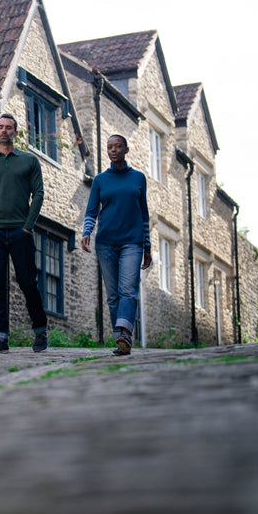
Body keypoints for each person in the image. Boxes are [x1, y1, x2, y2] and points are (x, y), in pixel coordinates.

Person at [0, 113, 48, 353]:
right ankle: (1, 337)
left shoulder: (29, 161)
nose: (4, 131)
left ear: (15, 132)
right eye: (0, 127)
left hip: (19, 231)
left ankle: (40, 331)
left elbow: (39, 194)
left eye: (9, 127)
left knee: (27, 282)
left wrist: (28, 226)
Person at [81, 134, 152, 356]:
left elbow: (144, 214)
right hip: (106, 243)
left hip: (132, 242)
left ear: (126, 150)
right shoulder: (101, 180)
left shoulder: (138, 178)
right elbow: (92, 210)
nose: (113, 150)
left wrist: (147, 246)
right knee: (112, 295)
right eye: (110, 147)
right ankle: (120, 339)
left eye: (118, 146)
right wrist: (87, 232)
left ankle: (125, 334)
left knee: (128, 291)